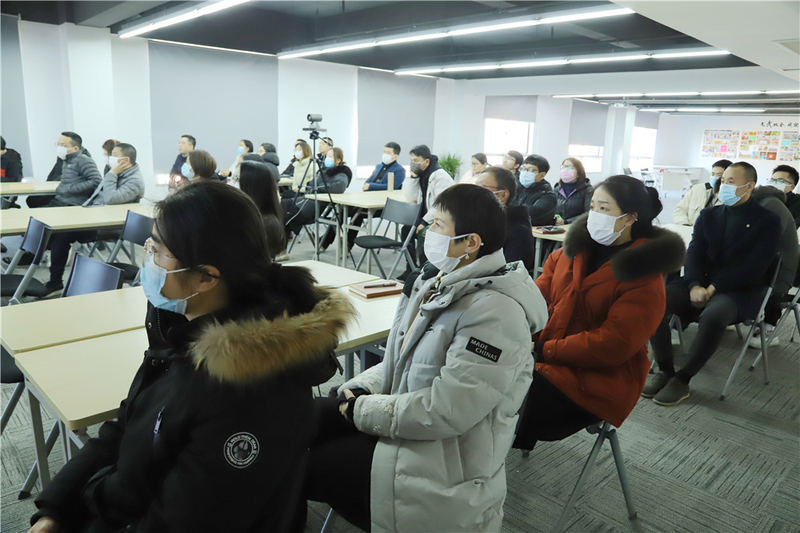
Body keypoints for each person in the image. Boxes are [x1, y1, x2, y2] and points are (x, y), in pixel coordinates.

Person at [28, 181, 355, 533]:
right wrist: (55, 511)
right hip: (117, 505)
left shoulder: (244, 390)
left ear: (206, 278)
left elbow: (178, 521)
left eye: (157, 250)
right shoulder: (179, 328)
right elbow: (127, 424)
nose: (148, 259)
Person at [300, 184, 549, 533]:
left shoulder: (495, 313)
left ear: (471, 242)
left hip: (443, 460)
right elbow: (406, 361)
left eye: (437, 225)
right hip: (410, 425)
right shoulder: (439, 281)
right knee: (300, 424)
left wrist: (360, 410)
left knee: (299, 465)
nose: (425, 231)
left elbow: (446, 410)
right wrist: (361, 387)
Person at [514, 176, 685, 451]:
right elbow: (532, 304)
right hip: (544, 360)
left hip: (597, 380)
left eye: (604, 208)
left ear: (630, 218)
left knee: (503, 402)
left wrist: (542, 350)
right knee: (486, 377)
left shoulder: (644, 276)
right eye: (593, 206)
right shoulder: (567, 254)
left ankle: (478, 464)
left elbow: (614, 343)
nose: (594, 214)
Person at [647, 162, 781, 406]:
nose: (724, 185)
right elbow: (694, 253)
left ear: (749, 186)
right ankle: (665, 370)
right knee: (653, 302)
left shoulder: (767, 221)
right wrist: (694, 284)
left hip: (738, 290)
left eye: (731, 181)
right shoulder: (708, 215)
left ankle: (683, 379)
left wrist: (713, 287)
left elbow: (754, 268)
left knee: (713, 316)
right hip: (700, 283)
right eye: (723, 180)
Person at [44, 143, 145, 294]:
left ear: (126, 160)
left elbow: (110, 199)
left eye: (114, 155)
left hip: (109, 226)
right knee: (54, 231)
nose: (110, 158)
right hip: (95, 217)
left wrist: (112, 173)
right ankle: (53, 275)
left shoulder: (134, 180)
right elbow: (97, 197)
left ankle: (55, 281)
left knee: (61, 236)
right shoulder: (118, 174)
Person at [325, 141, 405, 253]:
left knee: (358, 213)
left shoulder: (400, 170)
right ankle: (324, 242)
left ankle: (348, 244)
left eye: (388, 152)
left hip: (383, 205)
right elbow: (367, 182)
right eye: (384, 151)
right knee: (342, 211)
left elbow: (392, 187)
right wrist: (369, 185)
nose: (385, 154)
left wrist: (371, 186)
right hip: (368, 200)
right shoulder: (378, 167)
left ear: (395, 156)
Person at [746, 183, 799, 348]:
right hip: (767, 271)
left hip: (775, 277)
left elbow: (762, 239)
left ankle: (767, 327)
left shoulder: (772, 205)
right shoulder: (764, 203)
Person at [402, 144, 455, 273]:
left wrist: (424, 222)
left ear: (426, 162)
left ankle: (424, 270)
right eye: (411, 160)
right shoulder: (421, 174)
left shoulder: (440, 176)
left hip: (441, 219)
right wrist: (413, 177)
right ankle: (411, 268)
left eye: (416, 160)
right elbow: (410, 197)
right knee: (406, 229)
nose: (413, 164)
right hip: (427, 216)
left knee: (423, 233)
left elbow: (441, 204)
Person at [281, 147, 349, 240]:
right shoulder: (323, 171)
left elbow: (339, 187)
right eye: (326, 156)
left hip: (314, 206)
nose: (327, 159)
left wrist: (317, 188)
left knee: (283, 211)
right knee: (281, 206)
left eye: (330, 156)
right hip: (306, 200)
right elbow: (311, 183)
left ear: (338, 160)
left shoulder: (342, 174)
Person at [476, 166, 536, 270]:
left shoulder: (518, 231)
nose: (474, 191)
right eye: (475, 186)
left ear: (503, 195)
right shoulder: (479, 221)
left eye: (481, 187)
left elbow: (511, 273)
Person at [239, 160, 287, 261]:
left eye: (236, 179)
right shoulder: (246, 215)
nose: (231, 183)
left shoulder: (265, 223)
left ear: (249, 186)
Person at [48, 132, 102, 207]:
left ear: (76, 149)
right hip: (61, 200)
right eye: (58, 144)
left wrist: (71, 188)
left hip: (73, 203)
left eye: (63, 145)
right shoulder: (66, 159)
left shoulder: (84, 160)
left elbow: (96, 181)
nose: (59, 148)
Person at [673, 159, 731, 226]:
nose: (714, 177)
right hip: (688, 228)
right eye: (713, 174)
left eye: (719, 175)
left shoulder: (730, 196)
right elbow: (680, 209)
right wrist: (684, 224)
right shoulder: (697, 189)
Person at [513, 154, 557, 226]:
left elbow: (533, 213)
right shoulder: (515, 188)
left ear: (542, 175)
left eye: (531, 170)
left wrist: (509, 211)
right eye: (523, 169)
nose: (525, 173)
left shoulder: (548, 195)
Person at [554, 157, 593, 225]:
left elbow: (588, 213)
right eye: (563, 167)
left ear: (578, 172)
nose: (565, 170)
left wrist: (567, 221)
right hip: (557, 226)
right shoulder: (557, 188)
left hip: (576, 226)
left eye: (569, 167)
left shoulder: (587, 190)